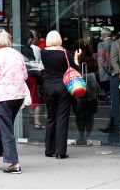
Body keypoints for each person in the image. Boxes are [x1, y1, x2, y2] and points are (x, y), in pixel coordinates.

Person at [0, 29, 28, 174]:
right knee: (2, 126)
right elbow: (25, 75)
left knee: (6, 129)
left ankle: (14, 163)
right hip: (18, 95)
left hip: (2, 96)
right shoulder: (17, 55)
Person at [41, 30, 81, 159]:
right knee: (62, 118)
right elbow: (75, 69)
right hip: (62, 86)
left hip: (48, 86)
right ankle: (60, 151)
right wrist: (76, 58)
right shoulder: (64, 53)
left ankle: (49, 150)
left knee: (50, 117)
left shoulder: (43, 53)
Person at [74, 40, 99, 145]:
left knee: (80, 115)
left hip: (79, 89)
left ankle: (82, 136)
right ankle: (88, 135)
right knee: (89, 115)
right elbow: (96, 70)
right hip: (90, 91)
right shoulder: (91, 59)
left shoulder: (77, 59)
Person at [22, 30, 44, 130]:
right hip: (31, 77)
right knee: (34, 99)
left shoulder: (19, 48)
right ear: (29, 39)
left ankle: (23, 122)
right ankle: (37, 122)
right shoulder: (30, 49)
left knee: (23, 99)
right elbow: (35, 62)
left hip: (23, 77)